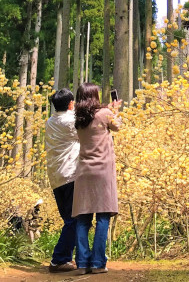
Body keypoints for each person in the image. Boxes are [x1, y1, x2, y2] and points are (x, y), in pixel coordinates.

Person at [72, 82, 120, 275]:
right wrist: (114, 110)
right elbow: (117, 127)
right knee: (102, 216)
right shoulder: (104, 114)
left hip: (84, 171)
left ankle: (82, 263)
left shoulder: (79, 118)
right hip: (103, 171)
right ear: (94, 96)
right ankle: (98, 263)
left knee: (83, 218)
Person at [45, 88, 80, 273]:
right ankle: (59, 259)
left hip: (56, 178)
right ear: (69, 104)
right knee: (73, 219)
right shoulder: (70, 121)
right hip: (70, 176)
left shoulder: (50, 122)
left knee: (69, 219)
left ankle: (65, 257)